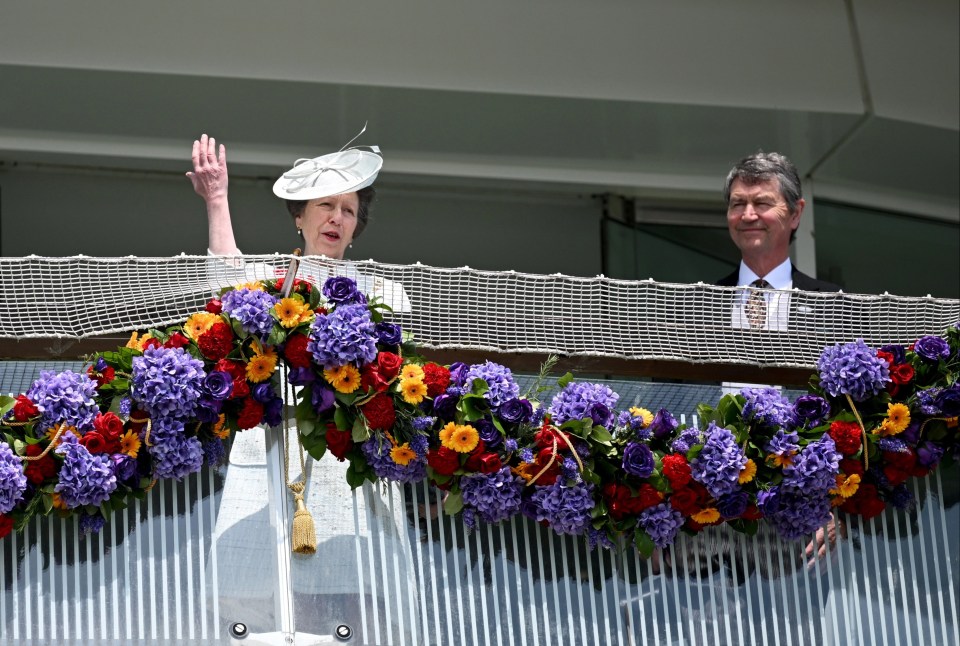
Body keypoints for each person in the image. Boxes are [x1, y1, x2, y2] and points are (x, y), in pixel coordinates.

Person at [188, 133, 416, 642]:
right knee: (253, 622)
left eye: (349, 210)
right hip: (264, 483)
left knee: (352, 621)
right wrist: (218, 201)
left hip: (347, 489)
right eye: (325, 205)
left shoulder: (384, 292)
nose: (337, 217)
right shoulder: (272, 283)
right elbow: (225, 288)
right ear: (300, 216)